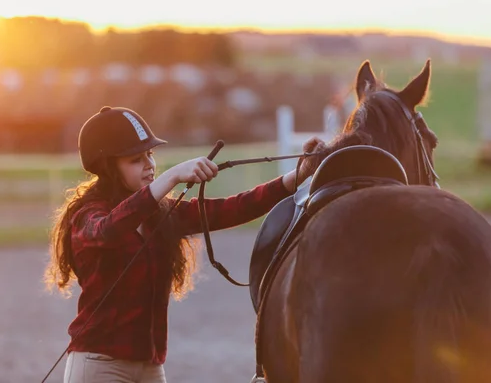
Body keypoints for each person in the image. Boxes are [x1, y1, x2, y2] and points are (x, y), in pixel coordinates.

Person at [44, 106, 324, 383]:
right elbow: (109, 230)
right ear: (108, 168)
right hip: (98, 365)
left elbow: (231, 208)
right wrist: (172, 176)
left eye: (149, 155)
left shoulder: (160, 214)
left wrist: (295, 178)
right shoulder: (86, 216)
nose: (149, 165)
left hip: (150, 366)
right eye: (135, 160)